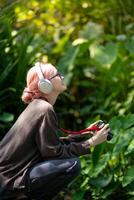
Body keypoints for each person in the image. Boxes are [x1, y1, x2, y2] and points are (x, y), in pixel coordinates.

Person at [0, 62, 110, 200]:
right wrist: (91, 142)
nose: (62, 76)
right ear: (45, 84)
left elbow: (49, 145)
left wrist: (84, 134)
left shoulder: (38, 107)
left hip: (5, 180)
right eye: (57, 75)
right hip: (9, 184)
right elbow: (54, 154)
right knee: (71, 165)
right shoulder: (44, 109)